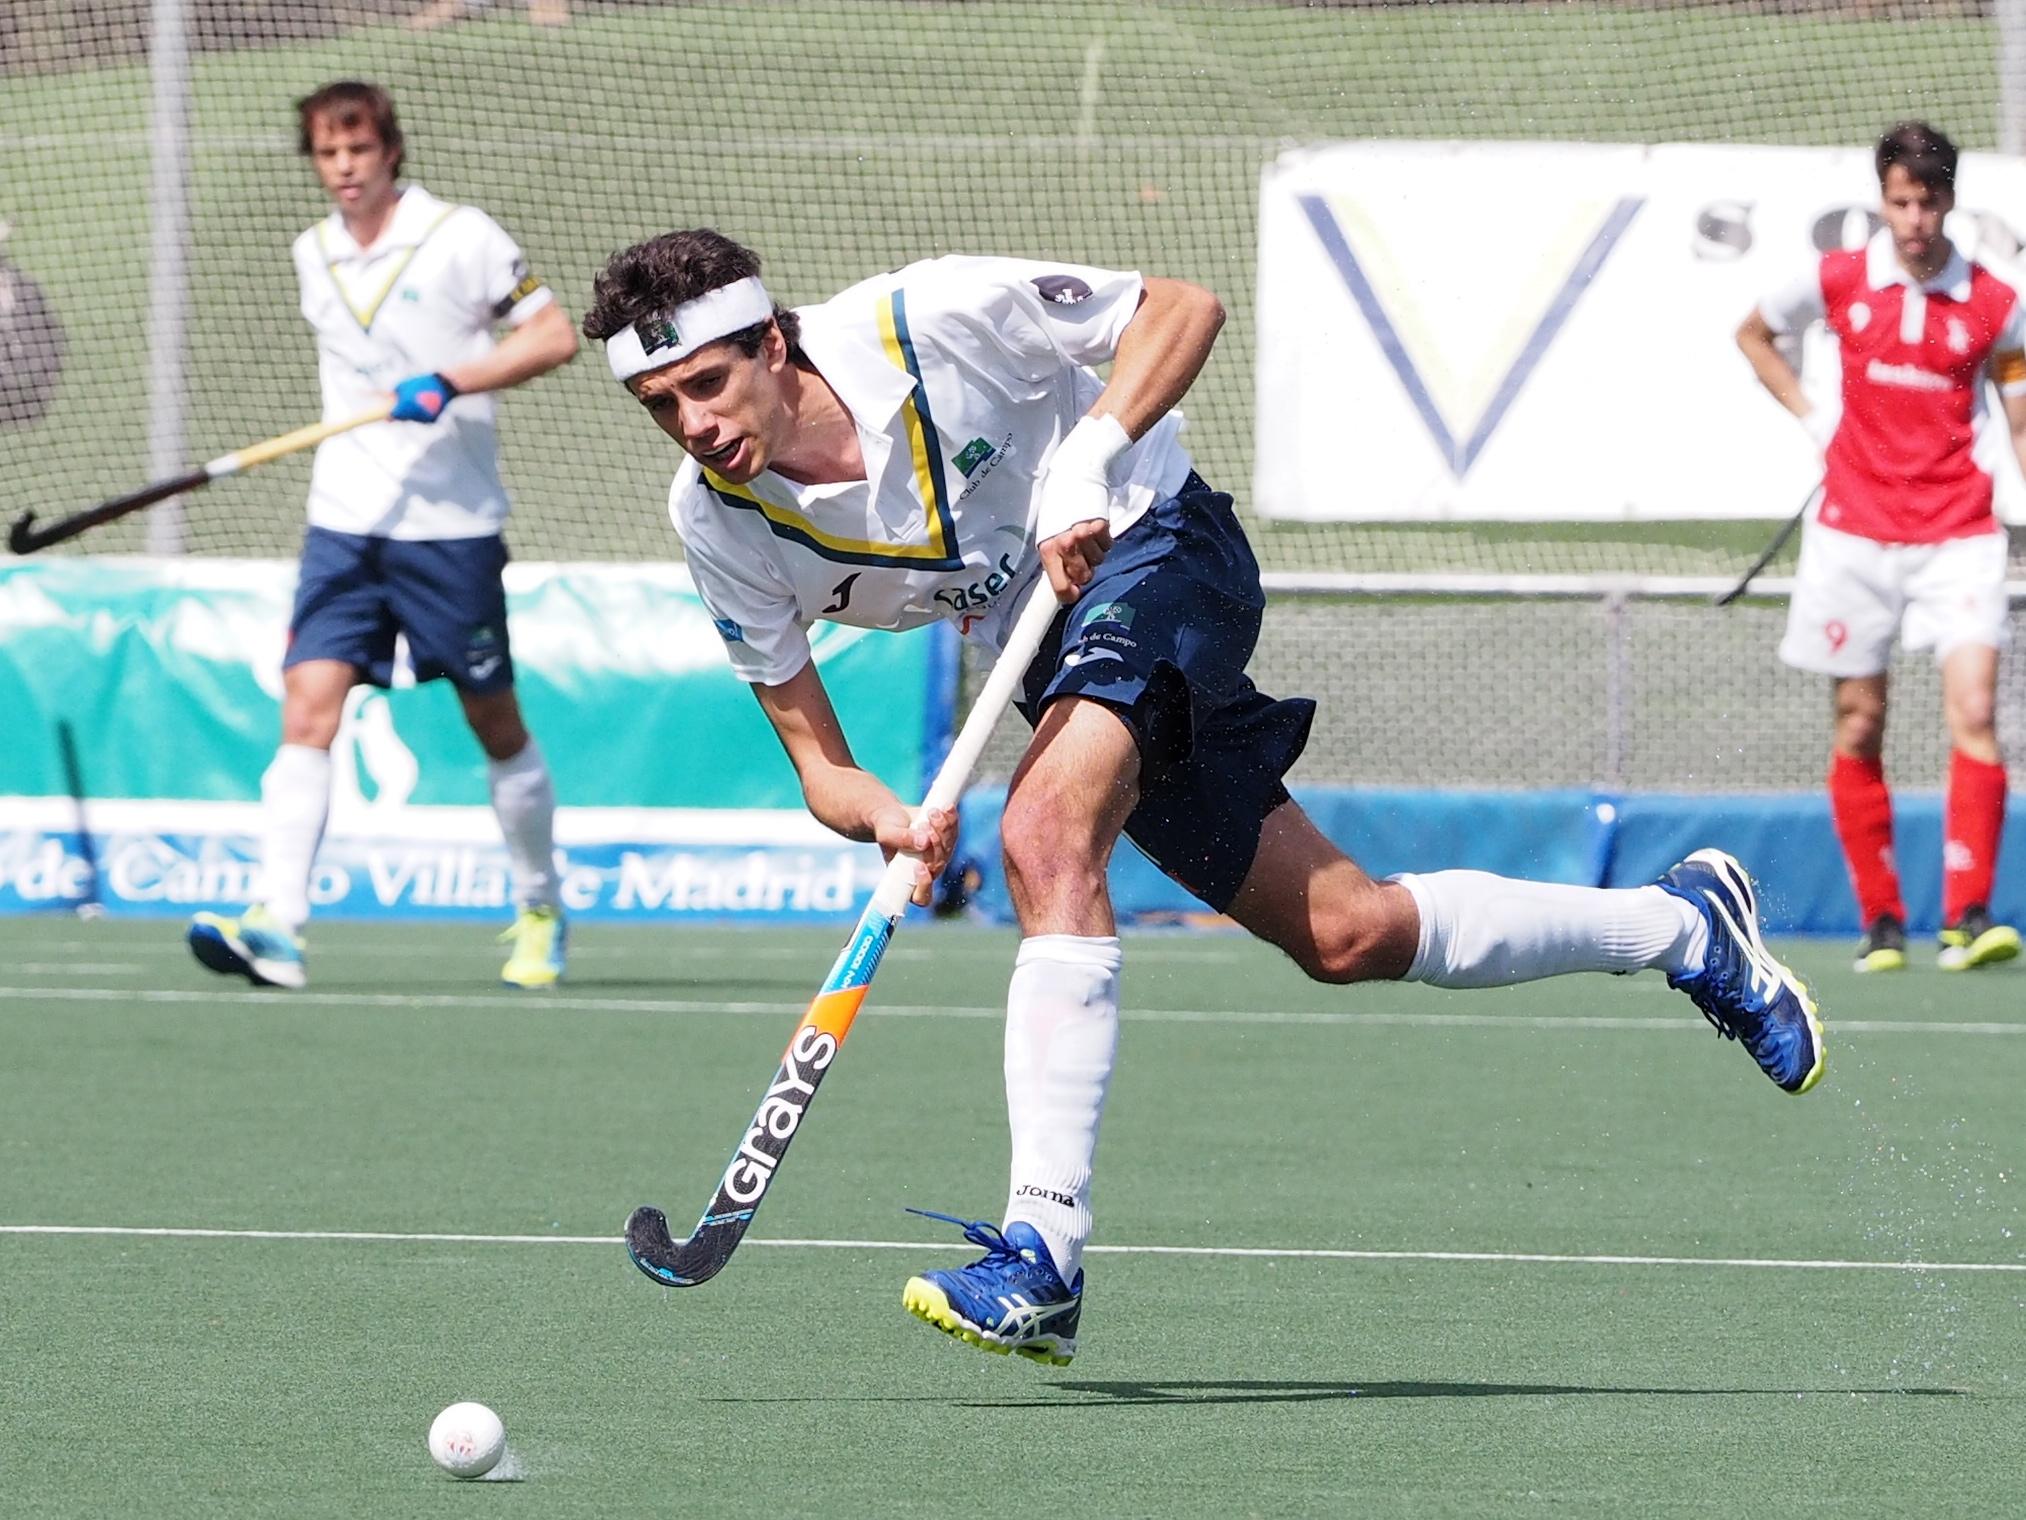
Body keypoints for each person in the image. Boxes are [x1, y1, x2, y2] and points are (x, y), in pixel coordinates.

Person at [584, 229, 1824, 1366]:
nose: (692, 423)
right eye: (657, 407)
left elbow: (1181, 306)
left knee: (1042, 828)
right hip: (1062, 653)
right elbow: (819, 762)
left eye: (705, 382)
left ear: (773, 342)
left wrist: (1087, 454)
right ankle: (1682, 927)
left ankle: (1043, 1251)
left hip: (1159, 545)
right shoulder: (720, 523)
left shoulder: (933, 315)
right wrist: (887, 819)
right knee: (1349, 932)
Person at [187, 80, 578, 991]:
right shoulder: (311, 253)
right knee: (308, 707)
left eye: (358, 149)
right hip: (345, 522)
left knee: (494, 721)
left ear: (390, 150)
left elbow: (554, 335)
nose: (345, 168)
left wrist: (454, 378)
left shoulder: (460, 236)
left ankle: (541, 903)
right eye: (328, 154)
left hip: (451, 528)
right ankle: (278, 924)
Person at [1738, 121, 2025, 976]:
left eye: (1929, 201)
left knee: (1974, 710)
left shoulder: (1994, 303)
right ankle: (1882, 921)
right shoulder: (1838, 278)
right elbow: (1754, 333)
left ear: (1949, 200)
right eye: (1900, 201)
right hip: (1853, 536)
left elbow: (2017, 402)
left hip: (1959, 533)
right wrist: (1816, 417)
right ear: (1882, 199)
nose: (1915, 219)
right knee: (1861, 719)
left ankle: (1968, 916)